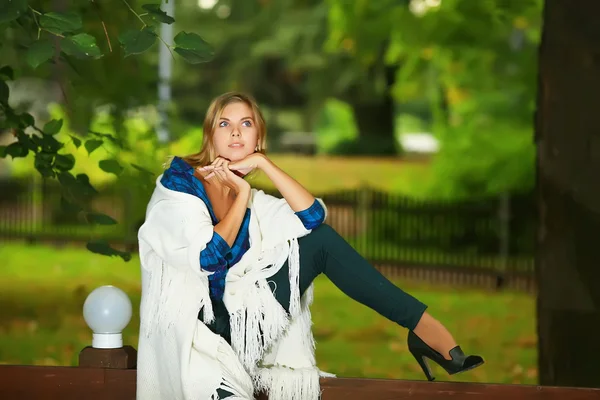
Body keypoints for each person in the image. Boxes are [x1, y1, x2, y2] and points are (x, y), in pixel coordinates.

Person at [136, 92, 484, 400]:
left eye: (246, 123)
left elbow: (314, 217)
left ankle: (423, 326)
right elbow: (207, 257)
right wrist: (241, 193)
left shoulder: (253, 200)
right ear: (211, 133)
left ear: (259, 136)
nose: (236, 131)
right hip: (198, 335)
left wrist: (263, 165)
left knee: (320, 241)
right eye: (225, 123)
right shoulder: (181, 183)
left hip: (242, 328)